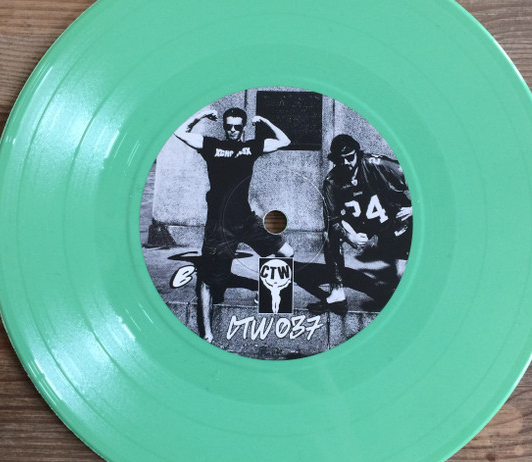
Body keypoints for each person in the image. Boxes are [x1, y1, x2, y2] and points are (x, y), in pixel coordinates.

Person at [174, 106, 294, 342]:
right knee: (208, 280)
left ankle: (266, 300)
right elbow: (180, 132)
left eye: (237, 127)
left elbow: (285, 140)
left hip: (246, 220)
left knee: (286, 252)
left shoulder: (251, 147)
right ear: (224, 127)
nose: (232, 130)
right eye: (228, 126)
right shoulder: (211, 145)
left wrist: (265, 120)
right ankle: (207, 335)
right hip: (219, 225)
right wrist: (200, 115)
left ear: (242, 128)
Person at [309, 134, 412, 313]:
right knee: (329, 234)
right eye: (340, 160)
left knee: (401, 275)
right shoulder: (331, 181)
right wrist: (350, 236)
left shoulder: (376, 164)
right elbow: (333, 221)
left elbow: (421, 178)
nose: (346, 163)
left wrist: (415, 208)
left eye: (350, 157)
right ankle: (337, 293)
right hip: (364, 222)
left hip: (393, 219)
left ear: (358, 153)